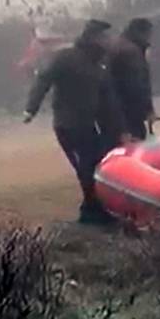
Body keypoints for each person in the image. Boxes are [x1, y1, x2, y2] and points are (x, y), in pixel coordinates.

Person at [24, 19, 131, 224]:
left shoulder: (99, 65)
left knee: (96, 167)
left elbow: (109, 102)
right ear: (93, 38)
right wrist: (31, 108)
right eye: (105, 37)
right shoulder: (66, 58)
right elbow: (44, 80)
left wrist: (121, 130)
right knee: (86, 169)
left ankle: (94, 209)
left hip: (88, 126)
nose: (109, 41)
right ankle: (92, 212)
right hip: (67, 125)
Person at [109, 17, 156, 140]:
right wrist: (148, 110)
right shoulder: (131, 52)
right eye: (149, 34)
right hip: (129, 115)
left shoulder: (116, 46)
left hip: (112, 115)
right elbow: (137, 86)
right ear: (142, 33)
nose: (150, 39)